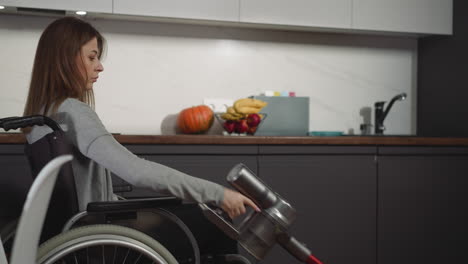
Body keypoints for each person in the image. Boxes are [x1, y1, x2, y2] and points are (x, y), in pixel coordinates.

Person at [23, 16, 259, 219]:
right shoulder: (73, 112)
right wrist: (218, 194)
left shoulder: (45, 114)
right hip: (98, 228)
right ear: (66, 59)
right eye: (92, 57)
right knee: (209, 223)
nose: (100, 67)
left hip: (79, 227)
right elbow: (136, 171)